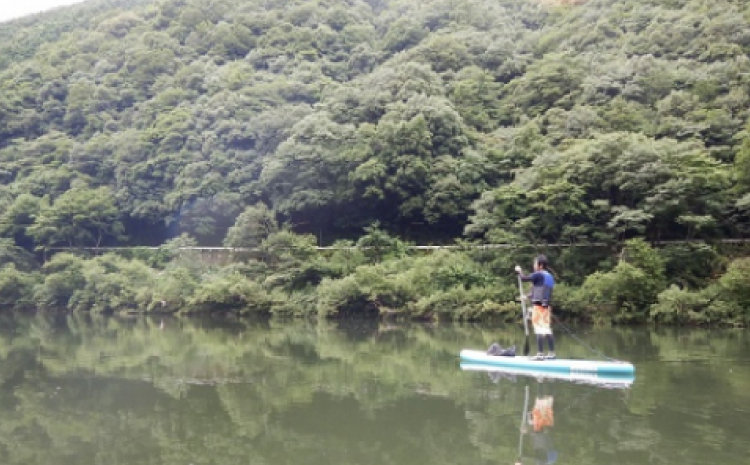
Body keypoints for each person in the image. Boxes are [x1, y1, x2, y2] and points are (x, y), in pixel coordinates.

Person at [515, 255, 555, 360]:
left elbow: (523, 278)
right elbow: (538, 291)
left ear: (540, 265)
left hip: (538, 307)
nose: (534, 265)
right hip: (546, 307)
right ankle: (551, 353)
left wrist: (519, 271)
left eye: (535, 263)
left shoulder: (538, 274)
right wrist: (526, 297)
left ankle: (540, 354)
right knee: (547, 329)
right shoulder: (549, 276)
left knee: (539, 329)